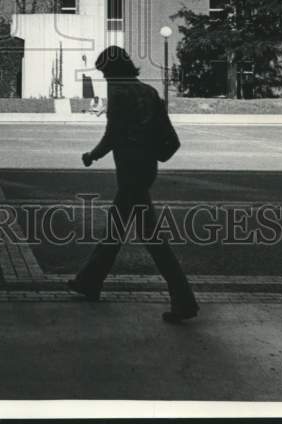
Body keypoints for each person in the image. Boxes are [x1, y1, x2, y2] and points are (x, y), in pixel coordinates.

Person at [68, 46, 199, 324]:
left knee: (151, 239)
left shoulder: (119, 92)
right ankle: (89, 281)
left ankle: (184, 299)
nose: (104, 77)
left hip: (129, 174)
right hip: (146, 170)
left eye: (104, 72)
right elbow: (168, 136)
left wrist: (93, 155)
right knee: (116, 231)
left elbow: (112, 134)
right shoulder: (148, 92)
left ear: (111, 71)